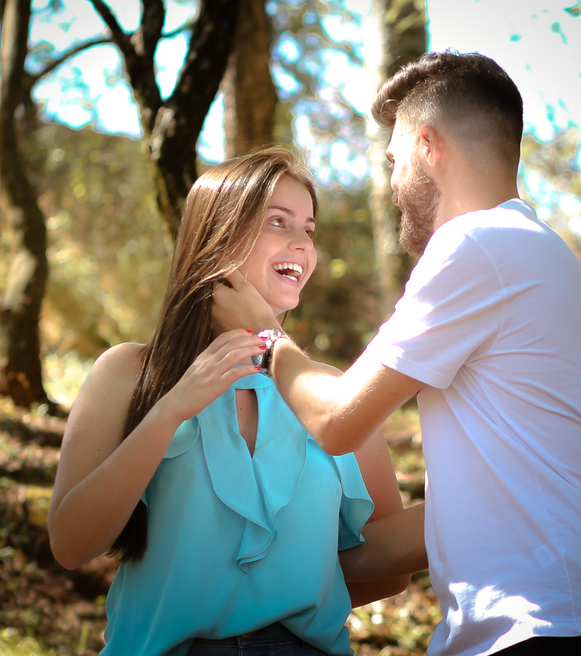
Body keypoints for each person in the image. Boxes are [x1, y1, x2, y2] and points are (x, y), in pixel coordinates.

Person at [212, 52, 581, 656]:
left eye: (396, 158)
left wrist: (266, 338)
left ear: (428, 145)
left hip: (549, 628)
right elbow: (460, 518)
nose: (394, 183)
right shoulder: (537, 253)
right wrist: (237, 580)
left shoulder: (476, 244)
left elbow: (335, 421)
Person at [47, 146, 425, 656]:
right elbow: (71, 545)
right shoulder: (129, 373)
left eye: (309, 230)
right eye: (278, 222)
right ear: (218, 237)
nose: (302, 243)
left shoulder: (332, 392)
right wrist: (171, 409)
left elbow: (387, 571)